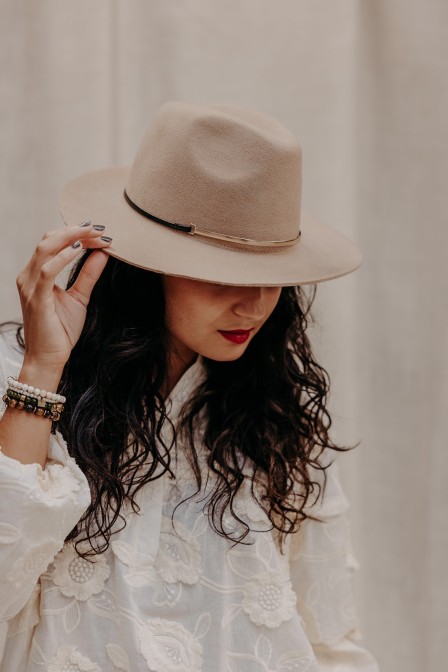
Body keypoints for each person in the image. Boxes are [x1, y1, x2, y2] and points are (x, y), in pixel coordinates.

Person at [0, 102, 379, 671]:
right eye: (223, 273)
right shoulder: (22, 377)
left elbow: (331, 643)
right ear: (147, 266)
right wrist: (41, 371)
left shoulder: (278, 423)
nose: (253, 304)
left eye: (269, 277)